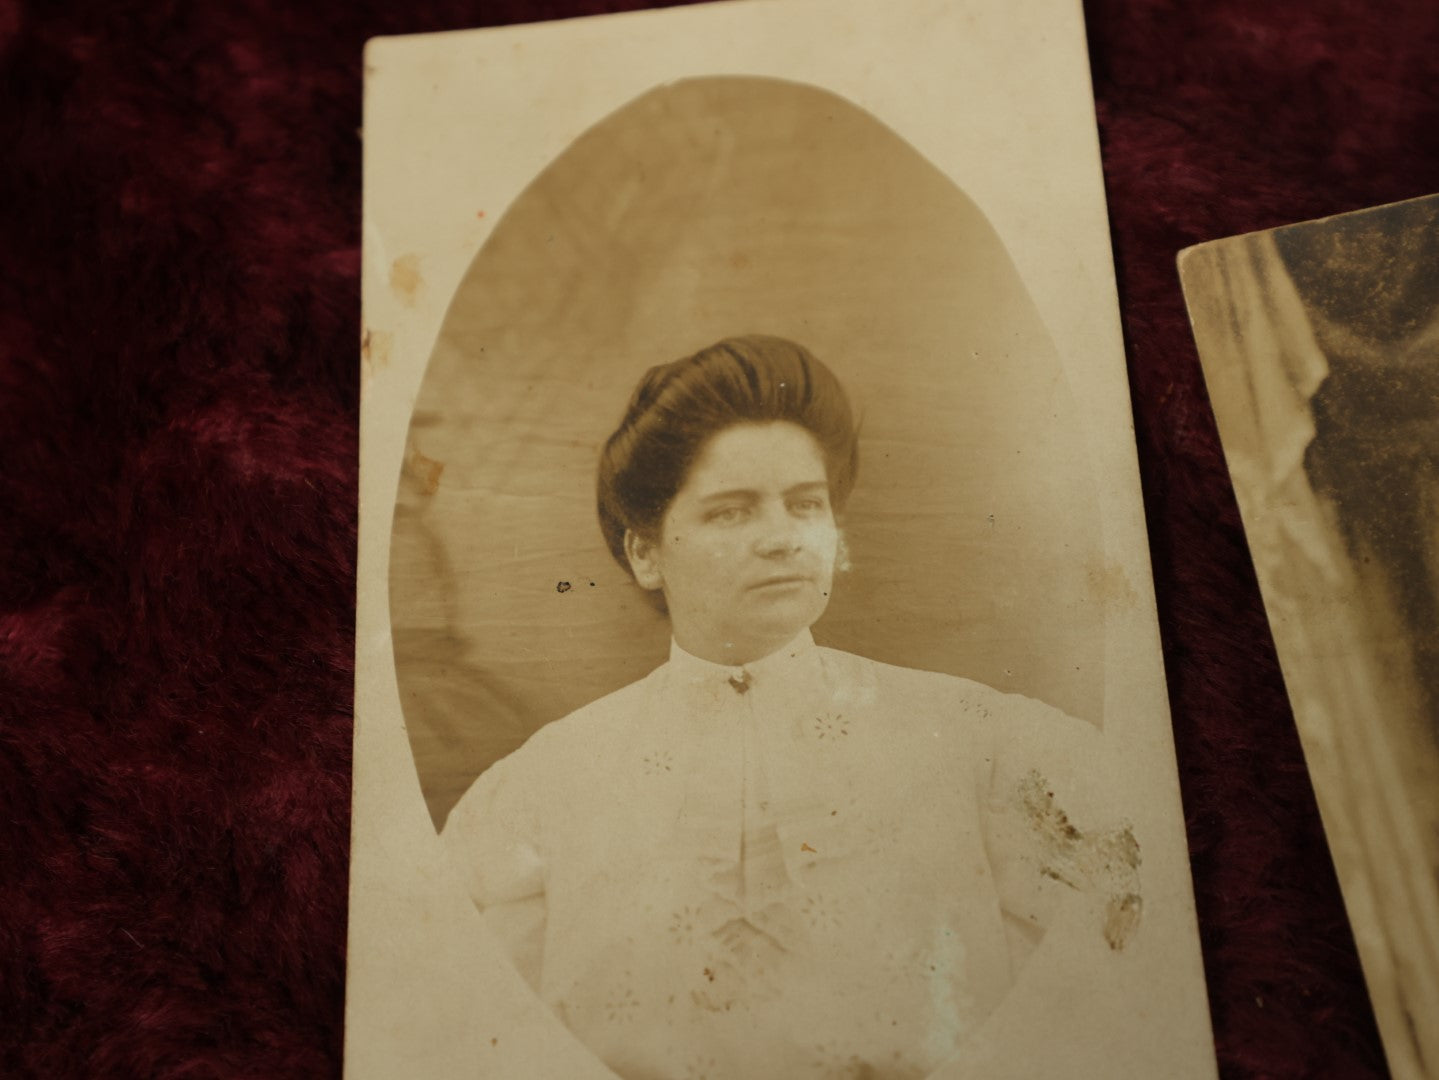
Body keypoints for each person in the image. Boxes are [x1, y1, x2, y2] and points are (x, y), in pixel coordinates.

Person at [442, 335, 1135, 1080]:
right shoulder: (543, 786)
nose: (781, 539)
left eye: (805, 505)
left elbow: (1111, 990)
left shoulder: (983, 745)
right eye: (730, 513)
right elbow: (467, 1032)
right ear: (645, 552)